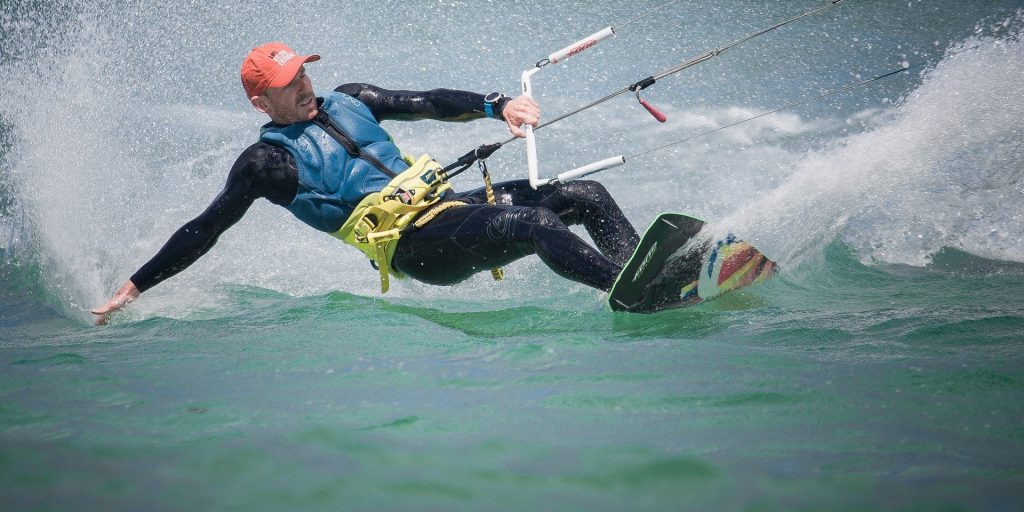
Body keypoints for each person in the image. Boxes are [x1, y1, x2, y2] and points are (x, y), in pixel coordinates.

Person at [91, 42, 639, 324]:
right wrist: (135, 286)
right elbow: (205, 228)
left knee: (584, 195)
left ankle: (650, 270)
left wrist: (497, 106)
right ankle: (634, 294)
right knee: (535, 222)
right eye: (287, 83)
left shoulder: (352, 99)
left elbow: (428, 102)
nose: (304, 85)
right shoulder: (266, 163)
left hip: (449, 208)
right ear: (261, 102)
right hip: (413, 247)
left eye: (303, 72)